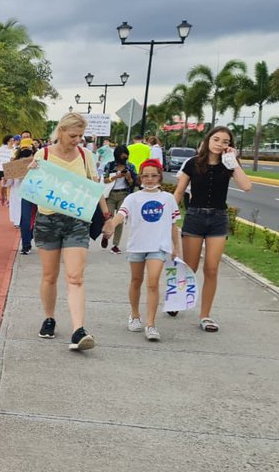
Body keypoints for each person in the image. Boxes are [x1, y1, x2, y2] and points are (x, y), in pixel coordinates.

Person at [32, 112, 107, 351]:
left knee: (75, 277)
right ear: (61, 132)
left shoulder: (86, 156)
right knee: (49, 276)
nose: (78, 140)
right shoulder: (43, 154)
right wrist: (29, 170)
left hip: (76, 221)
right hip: (47, 221)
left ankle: (78, 330)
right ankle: (49, 317)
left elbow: (95, 188)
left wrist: (107, 217)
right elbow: (20, 179)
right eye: (73, 135)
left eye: (81, 136)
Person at [173, 126, 253, 333]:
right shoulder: (193, 163)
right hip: (195, 217)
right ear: (208, 141)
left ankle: (205, 315)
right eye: (216, 139)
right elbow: (179, 191)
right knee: (190, 267)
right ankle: (177, 299)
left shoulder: (228, 165)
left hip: (218, 219)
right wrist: (169, 217)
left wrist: (234, 163)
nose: (220, 144)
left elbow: (246, 186)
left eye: (225, 141)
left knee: (211, 269)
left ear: (230, 146)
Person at [103, 160, 181, 342]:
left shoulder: (168, 199)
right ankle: (135, 315)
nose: (150, 179)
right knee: (136, 280)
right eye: (145, 175)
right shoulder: (133, 198)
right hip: (137, 245)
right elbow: (121, 215)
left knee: (153, 282)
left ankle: (151, 324)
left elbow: (173, 225)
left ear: (160, 176)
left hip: (158, 246)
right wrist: (111, 225)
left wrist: (176, 248)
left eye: (154, 175)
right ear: (140, 177)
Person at [101, 145, 139, 253]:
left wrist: (128, 177)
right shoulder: (110, 165)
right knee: (109, 218)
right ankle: (106, 235)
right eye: (122, 157)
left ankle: (115, 245)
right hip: (111, 195)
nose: (124, 159)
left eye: (125, 157)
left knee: (119, 220)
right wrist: (115, 177)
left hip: (124, 194)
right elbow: (105, 180)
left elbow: (133, 183)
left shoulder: (130, 167)